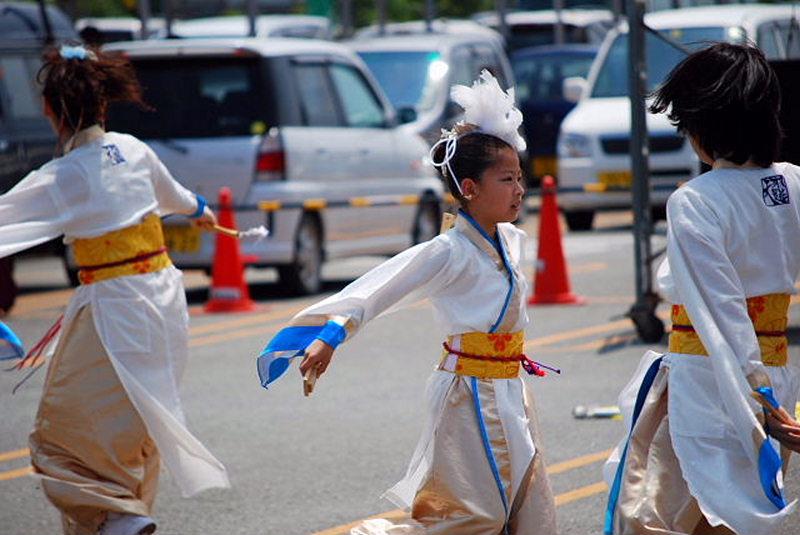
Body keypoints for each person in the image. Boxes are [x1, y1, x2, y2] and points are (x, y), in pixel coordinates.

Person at [257, 71, 557, 534]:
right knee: (474, 518)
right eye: (506, 179)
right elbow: (379, 288)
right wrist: (330, 337)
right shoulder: (448, 250)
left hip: (512, 388)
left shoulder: (513, 241)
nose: (520, 189)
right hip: (468, 394)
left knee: (531, 512)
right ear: (470, 188)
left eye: (520, 177)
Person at [0, 44, 230, 535]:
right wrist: (201, 211)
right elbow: (184, 202)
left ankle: (116, 516)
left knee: (58, 439)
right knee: (137, 427)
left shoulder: (62, 176)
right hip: (165, 299)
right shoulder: (134, 150)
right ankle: (125, 516)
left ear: (49, 110)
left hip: (115, 307)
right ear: (104, 102)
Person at [603, 43, 800, 535]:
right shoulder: (793, 183)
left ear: (705, 128)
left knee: (673, 508)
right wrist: (769, 391)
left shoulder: (696, 199)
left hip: (711, 376)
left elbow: (722, 306)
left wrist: (756, 392)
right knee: (748, 500)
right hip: (774, 370)